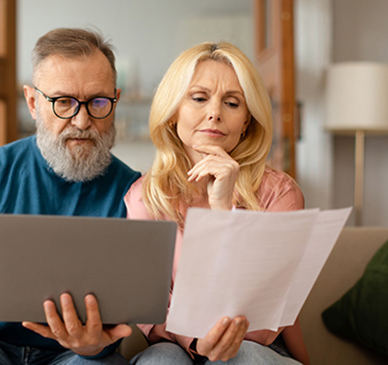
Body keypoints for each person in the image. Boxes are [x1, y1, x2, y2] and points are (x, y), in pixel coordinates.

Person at [0, 28, 141, 365]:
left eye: (98, 102)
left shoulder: (135, 192)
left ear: (115, 99)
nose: (82, 121)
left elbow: (120, 323)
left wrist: (95, 344)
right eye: (63, 101)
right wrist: (26, 300)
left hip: (75, 357)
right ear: (34, 102)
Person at [124, 42, 311, 364]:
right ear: (173, 113)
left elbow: (264, 324)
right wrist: (196, 340)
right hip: (176, 344)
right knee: (161, 361)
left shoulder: (280, 194)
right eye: (198, 98)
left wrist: (224, 209)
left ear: (247, 121)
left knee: (240, 357)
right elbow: (150, 309)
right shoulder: (144, 195)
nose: (215, 112)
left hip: (257, 346)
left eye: (232, 103)